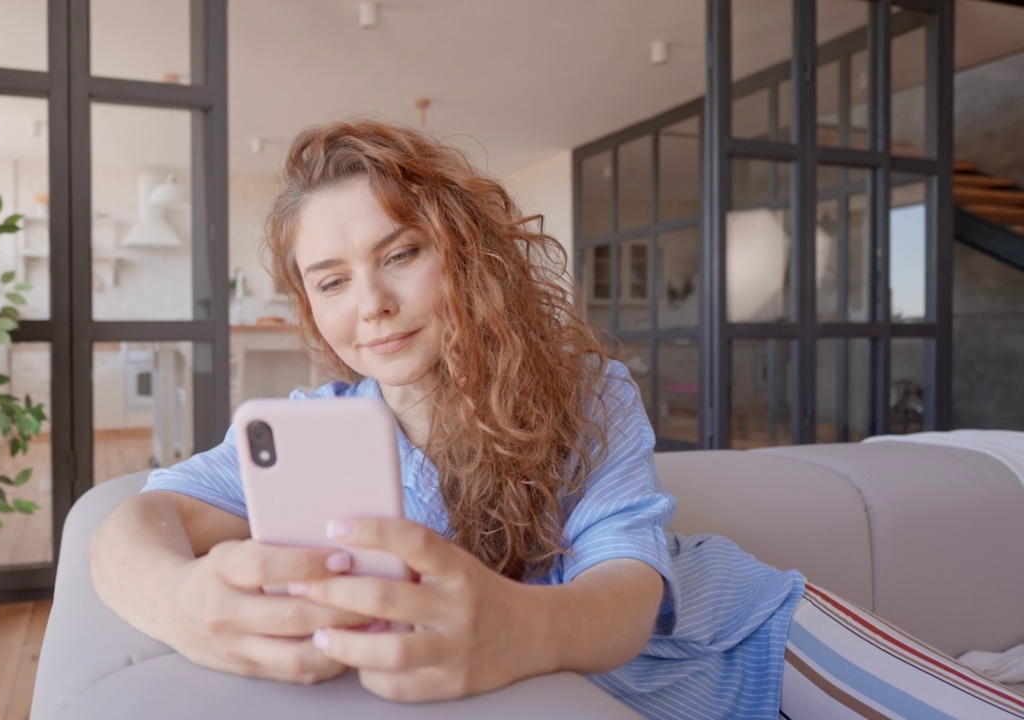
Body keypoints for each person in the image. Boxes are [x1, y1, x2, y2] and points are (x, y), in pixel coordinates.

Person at [90, 120, 1024, 720]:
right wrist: (180, 601)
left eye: (401, 253)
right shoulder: (310, 431)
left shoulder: (589, 390)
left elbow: (626, 591)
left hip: (759, 636)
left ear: (463, 255)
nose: (369, 302)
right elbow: (135, 519)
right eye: (331, 280)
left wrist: (512, 628)